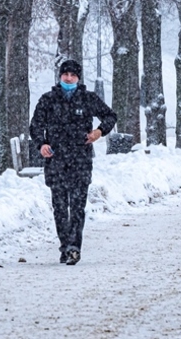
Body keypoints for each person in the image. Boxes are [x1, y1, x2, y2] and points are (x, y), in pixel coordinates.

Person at [29, 60, 117, 265]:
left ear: (78, 78)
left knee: (77, 207)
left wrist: (98, 132)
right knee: (60, 207)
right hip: (56, 161)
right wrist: (41, 144)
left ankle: (74, 248)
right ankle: (65, 246)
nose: (69, 78)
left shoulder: (88, 99)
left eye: (73, 75)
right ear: (60, 76)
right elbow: (35, 126)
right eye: (65, 74)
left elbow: (110, 116)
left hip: (80, 161)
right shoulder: (48, 100)